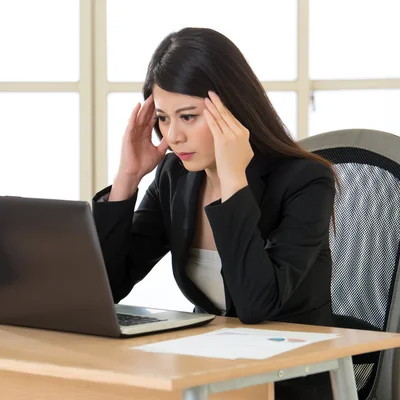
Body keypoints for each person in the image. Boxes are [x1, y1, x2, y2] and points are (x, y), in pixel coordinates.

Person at [92, 27, 337, 400]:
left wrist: (233, 181)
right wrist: (126, 178)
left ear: (232, 109)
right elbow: (107, 287)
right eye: (163, 118)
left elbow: (256, 306)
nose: (173, 136)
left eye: (188, 117)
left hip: (290, 379)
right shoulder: (175, 177)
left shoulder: (305, 182)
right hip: (209, 371)